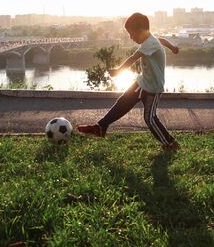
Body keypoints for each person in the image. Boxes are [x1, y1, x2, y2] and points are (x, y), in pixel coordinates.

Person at [77, 12, 181, 151]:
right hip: (142, 83)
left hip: (153, 89)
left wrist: (118, 71)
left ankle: (170, 144)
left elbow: (133, 57)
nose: (131, 38)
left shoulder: (149, 44)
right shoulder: (151, 40)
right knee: (123, 102)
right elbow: (161, 39)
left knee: (150, 119)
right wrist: (172, 47)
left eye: (132, 34)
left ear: (142, 30)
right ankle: (101, 127)